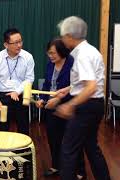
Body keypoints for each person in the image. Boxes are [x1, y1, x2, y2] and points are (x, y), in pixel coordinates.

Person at [55, 16, 110, 180]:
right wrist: (67, 90)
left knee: (68, 149)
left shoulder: (83, 55)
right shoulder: (90, 50)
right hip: (95, 105)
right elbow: (86, 83)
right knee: (91, 147)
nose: (63, 39)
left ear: (70, 36)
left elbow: (91, 87)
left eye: (63, 36)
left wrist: (70, 105)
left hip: (86, 106)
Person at [36, 39, 85, 179]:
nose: (50, 56)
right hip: (51, 108)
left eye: (53, 53)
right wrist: (41, 99)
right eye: (48, 53)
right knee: (53, 138)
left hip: (69, 106)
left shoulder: (72, 63)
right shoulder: (50, 65)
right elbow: (46, 85)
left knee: (72, 140)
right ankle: (56, 166)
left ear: (62, 52)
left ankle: (79, 170)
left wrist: (59, 99)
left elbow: (77, 87)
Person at [0, 28, 34, 135]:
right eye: (15, 43)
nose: (19, 45)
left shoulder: (28, 57)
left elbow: (29, 78)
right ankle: (3, 150)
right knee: (3, 128)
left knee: (23, 127)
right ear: (6, 45)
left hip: (21, 95)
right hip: (2, 97)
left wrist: (17, 91)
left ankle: (23, 151)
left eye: (20, 41)